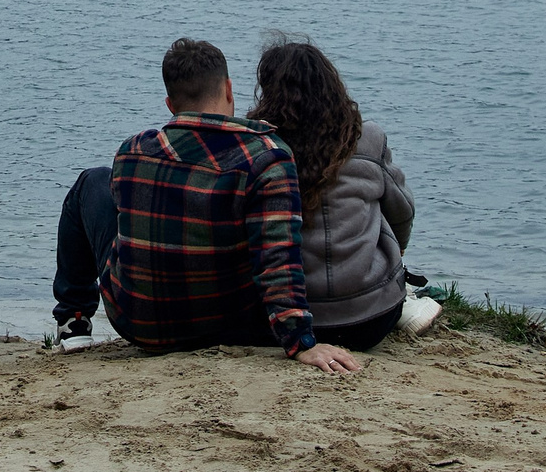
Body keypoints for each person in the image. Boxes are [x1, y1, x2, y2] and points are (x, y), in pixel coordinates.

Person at [51, 37, 362, 374]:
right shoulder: (268, 157)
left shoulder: (133, 151)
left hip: (138, 326)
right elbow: (278, 259)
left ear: (170, 104)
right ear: (229, 90)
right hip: (229, 325)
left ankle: (74, 324)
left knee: (92, 182)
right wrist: (301, 342)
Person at [248, 36, 416, 351]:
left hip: (285, 321)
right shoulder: (366, 138)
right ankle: (407, 299)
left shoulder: (258, 146)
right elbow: (403, 213)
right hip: (372, 318)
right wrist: (400, 250)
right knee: (381, 202)